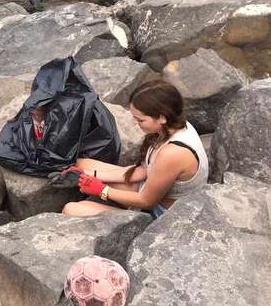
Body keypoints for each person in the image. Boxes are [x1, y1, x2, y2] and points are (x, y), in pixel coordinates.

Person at [61, 79, 208, 218]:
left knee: (71, 209)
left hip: (161, 215)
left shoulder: (173, 153)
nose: (134, 123)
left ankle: (135, 222)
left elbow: (146, 201)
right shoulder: (174, 125)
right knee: (81, 164)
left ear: (162, 117)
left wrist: (101, 190)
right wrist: (85, 175)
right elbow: (143, 171)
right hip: (150, 190)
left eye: (140, 120)